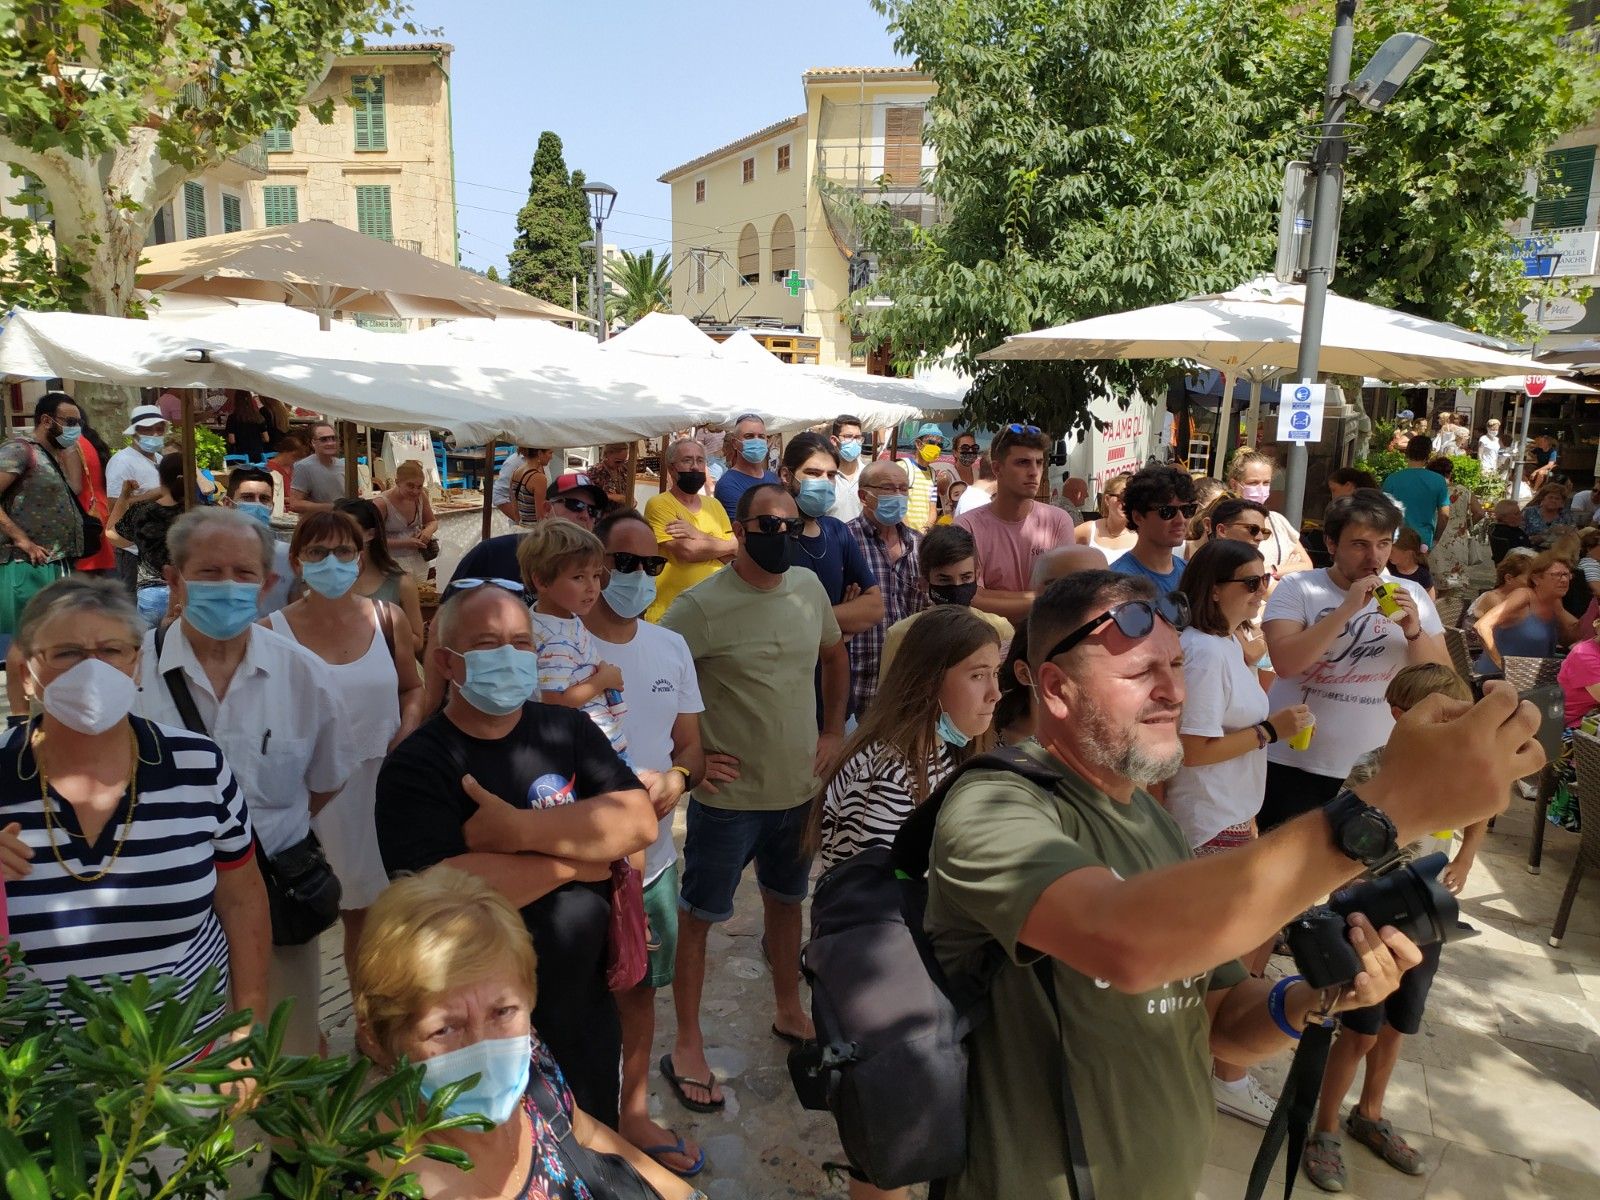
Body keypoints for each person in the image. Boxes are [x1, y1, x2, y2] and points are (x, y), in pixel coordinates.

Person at [920, 567, 1540, 1199]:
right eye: (1140, 674)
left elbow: (1218, 1018)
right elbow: (1122, 943)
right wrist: (1388, 809)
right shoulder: (993, 807)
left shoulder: (1151, 823)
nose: (1172, 693)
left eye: (1176, 667)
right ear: (1055, 688)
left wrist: (1313, 999)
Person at [375, 582, 656, 1127]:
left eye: (522, 643)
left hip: (584, 1012)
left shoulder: (567, 729)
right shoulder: (416, 766)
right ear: (447, 662)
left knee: (594, 1143)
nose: (509, 655)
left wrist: (518, 829)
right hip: (481, 1033)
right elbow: (446, 895)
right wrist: (576, 861)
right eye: (487, 643)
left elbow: (637, 820)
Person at [0, 576, 269, 1035]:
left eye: (111, 651)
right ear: (27, 673)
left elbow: (243, 902)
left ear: (137, 665)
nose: (92, 670)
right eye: (66, 653)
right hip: (31, 1086)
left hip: (181, 1066)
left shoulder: (197, 764)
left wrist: (248, 1029)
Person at [135, 507, 354, 1056]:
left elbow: (327, 779)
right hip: (162, 916)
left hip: (276, 901)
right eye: (209, 573)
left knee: (289, 1063)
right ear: (173, 579)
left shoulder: (303, 675)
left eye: (243, 573)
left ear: (268, 583)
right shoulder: (129, 672)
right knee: (179, 1076)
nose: (227, 587)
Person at [658, 483, 846, 1112]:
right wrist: (690, 757)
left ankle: (789, 1010)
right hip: (730, 800)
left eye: (791, 523)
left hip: (798, 789)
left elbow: (833, 657)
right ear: (739, 528)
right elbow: (661, 682)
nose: (780, 533)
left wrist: (830, 730)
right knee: (700, 917)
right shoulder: (699, 607)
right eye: (766, 523)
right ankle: (687, 1041)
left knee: (788, 902)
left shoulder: (810, 590)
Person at [351, 867, 704, 1200]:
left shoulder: (530, 1061)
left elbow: (583, 1130)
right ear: (379, 1042)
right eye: (445, 1029)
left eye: (502, 1011)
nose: (485, 1051)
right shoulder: (388, 1185)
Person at [812, 606, 1002, 1200]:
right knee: (890, 1141)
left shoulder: (944, 754)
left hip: (918, 963)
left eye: (996, 673)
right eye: (977, 674)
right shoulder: (892, 768)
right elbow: (874, 896)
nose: (995, 692)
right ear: (928, 679)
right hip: (885, 975)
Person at [1304, 665, 1483, 1192]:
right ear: (1403, 718)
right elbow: (1342, 842)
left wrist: (1468, 856)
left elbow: (1483, 807)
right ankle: (1325, 1127)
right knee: (1358, 1028)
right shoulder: (1373, 770)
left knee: (1397, 1026)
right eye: (1447, 718)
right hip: (1370, 916)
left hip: (1427, 916)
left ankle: (1371, 1112)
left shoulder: (1462, 768)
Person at [582, 509, 708, 1178]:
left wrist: (678, 780)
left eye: (648, 565)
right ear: (593, 562)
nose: (633, 576)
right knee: (568, 992)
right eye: (620, 563)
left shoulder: (669, 646)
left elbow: (691, 745)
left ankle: (631, 1111)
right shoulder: (558, 646)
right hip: (570, 866)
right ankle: (567, 1117)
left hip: (651, 863)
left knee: (638, 990)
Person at [1170, 541, 1311, 1125]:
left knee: (1229, 953)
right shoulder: (1202, 651)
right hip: (1206, 822)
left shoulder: (1225, 645)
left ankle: (1216, 1066)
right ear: (1214, 589)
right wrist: (1270, 733)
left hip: (1230, 814)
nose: (1261, 590)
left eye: (1265, 579)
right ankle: (1219, 1070)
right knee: (1219, 957)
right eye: (1250, 581)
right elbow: (1193, 749)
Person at [265, 510, 424, 971]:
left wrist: (408, 728)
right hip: (311, 797)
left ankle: (370, 1028)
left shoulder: (387, 618)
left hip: (383, 788)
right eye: (318, 552)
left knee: (375, 916)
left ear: (359, 558)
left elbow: (411, 688)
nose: (331, 561)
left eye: (342, 551)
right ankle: (306, 1032)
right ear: (297, 561)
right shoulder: (271, 633)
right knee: (307, 915)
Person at [1259, 489, 1449, 831]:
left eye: (1383, 544)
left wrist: (1414, 631)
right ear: (1332, 545)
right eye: (1359, 544)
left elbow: (1442, 681)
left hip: (1374, 767)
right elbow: (1286, 663)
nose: (1373, 556)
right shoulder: (1298, 589)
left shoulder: (1414, 596)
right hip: (1292, 763)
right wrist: (1347, 609)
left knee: (1360, 875)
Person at [778, 434, 883, 700]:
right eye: (813, 473)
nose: (824, 483)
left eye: (831, 475)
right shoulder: (771, 536)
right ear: (786, 475)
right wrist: (841, 624)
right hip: (785, 688)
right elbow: (777, 620)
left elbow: (874, 607)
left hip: (832, 689)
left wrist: (819, 623)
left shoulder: (836, 531)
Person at [522, 520, 628, 758]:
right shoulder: (557, 637)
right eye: (579, 577)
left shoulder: (553, 618)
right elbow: (554, 701)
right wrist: (603, 680)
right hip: (589, 747)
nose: (592, 587)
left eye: (596, 575)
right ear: (542, 581)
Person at [954, 424, 1074, 620]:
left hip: (1042, 643)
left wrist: (991, 597)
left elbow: (1066, 597)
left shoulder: (1058, 521)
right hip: (990, 644)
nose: (1034, 471)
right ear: (997, 469)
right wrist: (1045, 598)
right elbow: (971, 597)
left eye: (1039, 462)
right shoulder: (966, 526)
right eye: (1023, 462)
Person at [0, 393, 89, 640]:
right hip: (27, 565)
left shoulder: (49, 455)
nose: (76, 429)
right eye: (70, 422)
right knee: (30, 644)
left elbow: (75, 489)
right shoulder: (19, 449)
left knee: (56, 642)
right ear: (47, 421)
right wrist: (20, 539)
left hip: (55, 562)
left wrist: (70, 448)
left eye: (78, 423)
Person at [878, 524, 1015, 683]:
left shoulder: (1000, 629)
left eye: (965, 578)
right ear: (924, 583)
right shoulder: (901, 636)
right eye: (944, 579)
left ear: (977, 576)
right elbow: (890, 700)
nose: (956, 587)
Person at [846, 459, 924, 717]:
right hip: (857, 686)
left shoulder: (920, 545)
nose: (898, 496)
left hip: (909, 687)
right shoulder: (844, 541)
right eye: (889, 489)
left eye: (903, 489)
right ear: (863, 496)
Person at [645, 438, 735, 623]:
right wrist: (728, 545)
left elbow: (734, 557)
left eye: (700, 460)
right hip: (672, 613)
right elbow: (687, 551)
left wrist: (698, 535)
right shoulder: (660, 504)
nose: (695, 467)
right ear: (671, 469)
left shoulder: (715, 504)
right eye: (687, 460)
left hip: (715, 613)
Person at [338, 498, 426, 652]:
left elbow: (417, 642)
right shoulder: (327, 578)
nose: (337, 537)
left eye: (347, 530)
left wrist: (375, 630)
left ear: (370, 534)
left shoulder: (401, 582)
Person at [109, 451, 186, 625]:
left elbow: (112, 535)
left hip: (151, 595)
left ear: (160, 478)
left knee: (151, 649)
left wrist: (124, 498)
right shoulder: (201, 511)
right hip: (190, 591)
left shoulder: (142, 512)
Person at [1473, 549, 1575, 673]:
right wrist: (1500, 664)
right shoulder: (1524, 595)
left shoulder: (1554, 602)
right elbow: (1482, 626)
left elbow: (1575, 633)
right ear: (1536, 579)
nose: (1564, 580)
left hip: (1536, 678)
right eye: (1557, 575)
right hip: (1500, 679)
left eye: (1567, 575)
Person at [1226, 450, 1313, 579]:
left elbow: (1307, 565)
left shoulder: (1277, 520)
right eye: (1253, 483)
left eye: (1266, 483)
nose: (1261, 489)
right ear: (1234, 485)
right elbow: (1246, 574)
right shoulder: (1230, 521)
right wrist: (1287, 570)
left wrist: (1272, 570)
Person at [1109, 464, 1194, 593]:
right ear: (1138, 517)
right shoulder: (1117, 583)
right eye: (1167, 511)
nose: (1181, 519)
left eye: (1187, 510)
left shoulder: (1192, 574)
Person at [222, 465, 294, 616]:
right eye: (247, 498)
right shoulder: (208, 554)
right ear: (228, 504)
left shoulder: (288, 557)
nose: (257, 505)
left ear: (272, 507)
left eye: (264, 499)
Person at [374, 459, 439, 582]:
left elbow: (432, 521)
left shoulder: (421, 497)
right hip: (391, 562)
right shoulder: (382, 503)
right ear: (397, 482)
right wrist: (405, 543)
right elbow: (373, 539)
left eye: (419, 487)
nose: (415, 491)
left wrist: (428, 531)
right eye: (410, 486)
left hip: (418, 559)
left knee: (421, 595)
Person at [1381, 435, 1451, 549]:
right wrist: (1436, 539)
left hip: (1396, 539)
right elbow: (1444, 515)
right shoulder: (1438, 480)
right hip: (1423, 540)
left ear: (1407, 453)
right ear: (1428, 454)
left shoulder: (1392, 479)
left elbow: (1382, 512)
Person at [1425, 456, 1483, 582]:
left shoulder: (1430, 491)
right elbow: (1479, 513)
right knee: (1454, 584)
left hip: (1435, 539)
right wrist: (1463, 525)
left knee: (1432, 581)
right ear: (1450, 473)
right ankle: (1450, 602)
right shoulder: (1463, 491)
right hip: (1457, 541)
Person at [712, 412, 778, 521]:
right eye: (749, 436)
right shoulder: (728, 485)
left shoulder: (773, 478)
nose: (756, 441)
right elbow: (743, 531)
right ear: (734, 443)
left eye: (761, 436)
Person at [106, 404, 168, 503]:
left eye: (159, 429)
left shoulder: (159, 458)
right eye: (147, 429)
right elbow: (114, 505)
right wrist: (159, 492)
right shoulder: (122, 462)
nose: (155, 434)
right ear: (135, 433)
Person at [288, 422, 349, 515]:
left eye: (334, 438)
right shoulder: (304, 466)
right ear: (313, 442)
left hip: (343, 520)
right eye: (324, 439)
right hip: (318, 523)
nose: (330, 443)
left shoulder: (343, 465)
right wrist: (333, 507)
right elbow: (295, 504)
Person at [1073, 472, 1137, 555]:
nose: (1126, 502)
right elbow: (1060, 552)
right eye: (1122, 497)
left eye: (1131, 498)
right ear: (1107, 499)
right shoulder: (1090, 529)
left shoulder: (1141, 535)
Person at [900, 422, 947, 533]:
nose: (936, 447)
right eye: (931, 442)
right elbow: (898, 505)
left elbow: (932, 508)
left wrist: (926, 530)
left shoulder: (933, 473)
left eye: (939, 445)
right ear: (918, 444)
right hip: (905, 533)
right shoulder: (903, 467)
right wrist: (908, 532)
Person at [1468, 550, 1534, 622]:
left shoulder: (1519, 598)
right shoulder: (1493, 598)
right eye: (1529, 580)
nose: (1533, 583)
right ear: (1509, 578)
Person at [497, 445, 553, 524]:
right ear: (540, 453)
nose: (551, 457)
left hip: (521, 528)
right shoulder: (539, 478)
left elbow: (515, 508)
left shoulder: (516, 472)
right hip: (535, 530)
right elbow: (540, 517)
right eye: (550, 453)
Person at [828, 414, 866, 522]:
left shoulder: (868, 475)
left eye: (858, 437)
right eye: (848, 437)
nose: (854, 442)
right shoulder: (825, 476)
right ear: (834, 440)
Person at [1386, 527, 1435, 598]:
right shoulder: (1387, 568)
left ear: (1408, 553)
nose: (1387, 554)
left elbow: (1430, 602)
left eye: (1391, 551)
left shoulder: (1423, 575)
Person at [224, 392, 270, 461]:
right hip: (258, 455)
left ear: (236, 401)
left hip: (241, 455)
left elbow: (232, 440)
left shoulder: (232, 418)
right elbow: (266, 439)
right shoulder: (258, 417)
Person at [588, 441, 634, 507]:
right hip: (604, 515)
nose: (621, 465)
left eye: (624, 461)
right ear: (607, 454)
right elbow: (589, 495)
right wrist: (611, 496)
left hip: (622, 513)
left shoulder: (624, 469)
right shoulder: (595, 471)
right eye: (617, 461)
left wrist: (631, 500)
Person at [1488, 498, 1533, 564]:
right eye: (1516, 514)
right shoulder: (1509, 534)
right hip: (1519, 567)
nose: (1520, 516)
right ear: (1504, 517)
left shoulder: (1497, 529)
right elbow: (1524, 554)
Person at [266, 432, 309, 498]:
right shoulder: (270, 468)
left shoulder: (292, 467)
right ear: (285, 452)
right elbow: (272, 496)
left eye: (298, 459)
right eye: (294, 457)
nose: (295, 461)